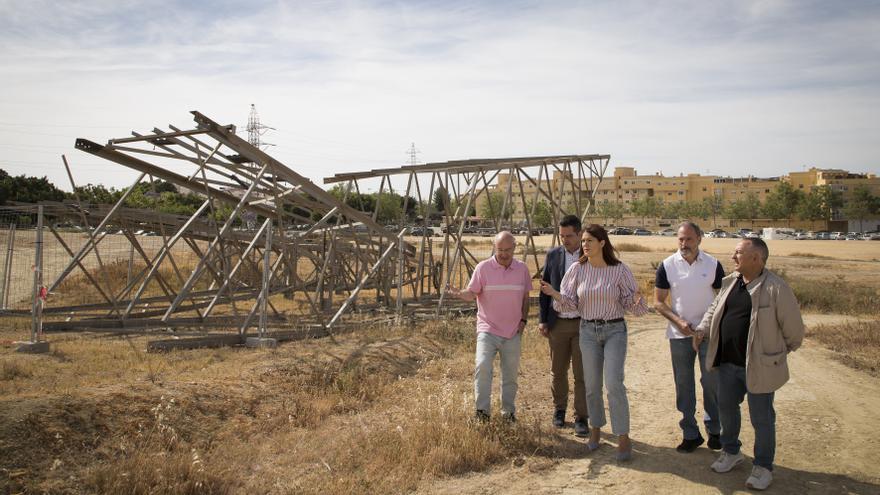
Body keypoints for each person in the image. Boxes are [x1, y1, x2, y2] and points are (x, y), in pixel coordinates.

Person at [694, 237, 804, 490]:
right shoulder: (730, 282)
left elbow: (794, 330)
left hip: (759, 367)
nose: (733, 257)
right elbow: (714, 308)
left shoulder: (776, 287)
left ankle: (763, 467)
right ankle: (731, 452)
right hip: (727, 364)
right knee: (726, 410)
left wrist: (777, 353)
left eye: (738, 254)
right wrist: (702, 329)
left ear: (756, 259)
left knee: (762, 418)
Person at [540, 224, 648, 461]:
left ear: (602, 243)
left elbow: (632, 304)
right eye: (584, 241)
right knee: (591, 385)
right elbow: (569, 303)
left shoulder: (619, 270)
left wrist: (639, 299)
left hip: (614, 330)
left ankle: (623, 437)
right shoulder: (578, 270)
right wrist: (554, 295)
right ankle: (596, 431)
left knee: (613, 384)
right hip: (587, 330)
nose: (585, 245)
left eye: (590, 241)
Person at [447, 231, 532, 422]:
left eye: (507, 250)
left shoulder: (522, 269)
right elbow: (472, 293)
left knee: (510, 375)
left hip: (512, 331)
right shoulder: (483, 268)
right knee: (482, 367)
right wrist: (459, 293)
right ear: (495, 247)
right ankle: (482, 413)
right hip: (488, 329)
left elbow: (526, 298)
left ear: (514, 248)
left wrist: (523, 321)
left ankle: (508, 413)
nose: (503, 254)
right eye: (500, 249)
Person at [654, 221, 724, 453]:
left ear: (699, 239)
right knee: (684, 386)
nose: (684, 244)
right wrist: (679, 322)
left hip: (708, 334)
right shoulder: (667, 265)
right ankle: (690, 433)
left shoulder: (713, 265)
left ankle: (715, 431)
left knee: (711, 384)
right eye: (680, 239)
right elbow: (658, 302)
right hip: (679, 335)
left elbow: (722, 299)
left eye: (689, 239)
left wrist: (706, 326)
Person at [538, 215, 588, 436]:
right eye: (562, 236)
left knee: (582, 374)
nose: (565, 240)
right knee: (558, 371)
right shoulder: (553, 255)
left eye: (569, 236)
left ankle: (581, 417)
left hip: (583, 324)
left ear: (579, 234)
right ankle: (559, 410)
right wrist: (542, 319)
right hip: (558, 323)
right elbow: (544, 288)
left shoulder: (590, 255)